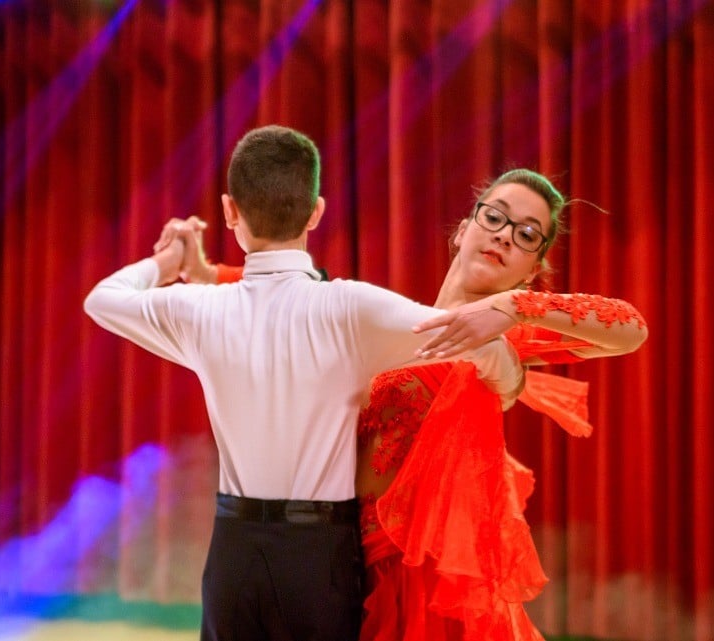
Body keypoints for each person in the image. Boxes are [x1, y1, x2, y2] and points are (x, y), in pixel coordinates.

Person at [160, 168, 648, 640]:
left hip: (421, 585)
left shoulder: (507, 337)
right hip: (337, 562)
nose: (503, 237)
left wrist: (512, 309)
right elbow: (294, 305)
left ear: (534, 268)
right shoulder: (396, 323)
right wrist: (202, 272)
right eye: (494, 217)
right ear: (463, 230)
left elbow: (630, 328)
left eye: (526, 235)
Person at [83, 124, 525, 641]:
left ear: (229, 212)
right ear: (316, 211)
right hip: (320, 553)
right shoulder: (351, 307)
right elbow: (472, 342)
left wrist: (169, 262)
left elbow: (102, 299)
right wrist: (510, 379)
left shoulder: (200, 310)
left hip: (234, 548)